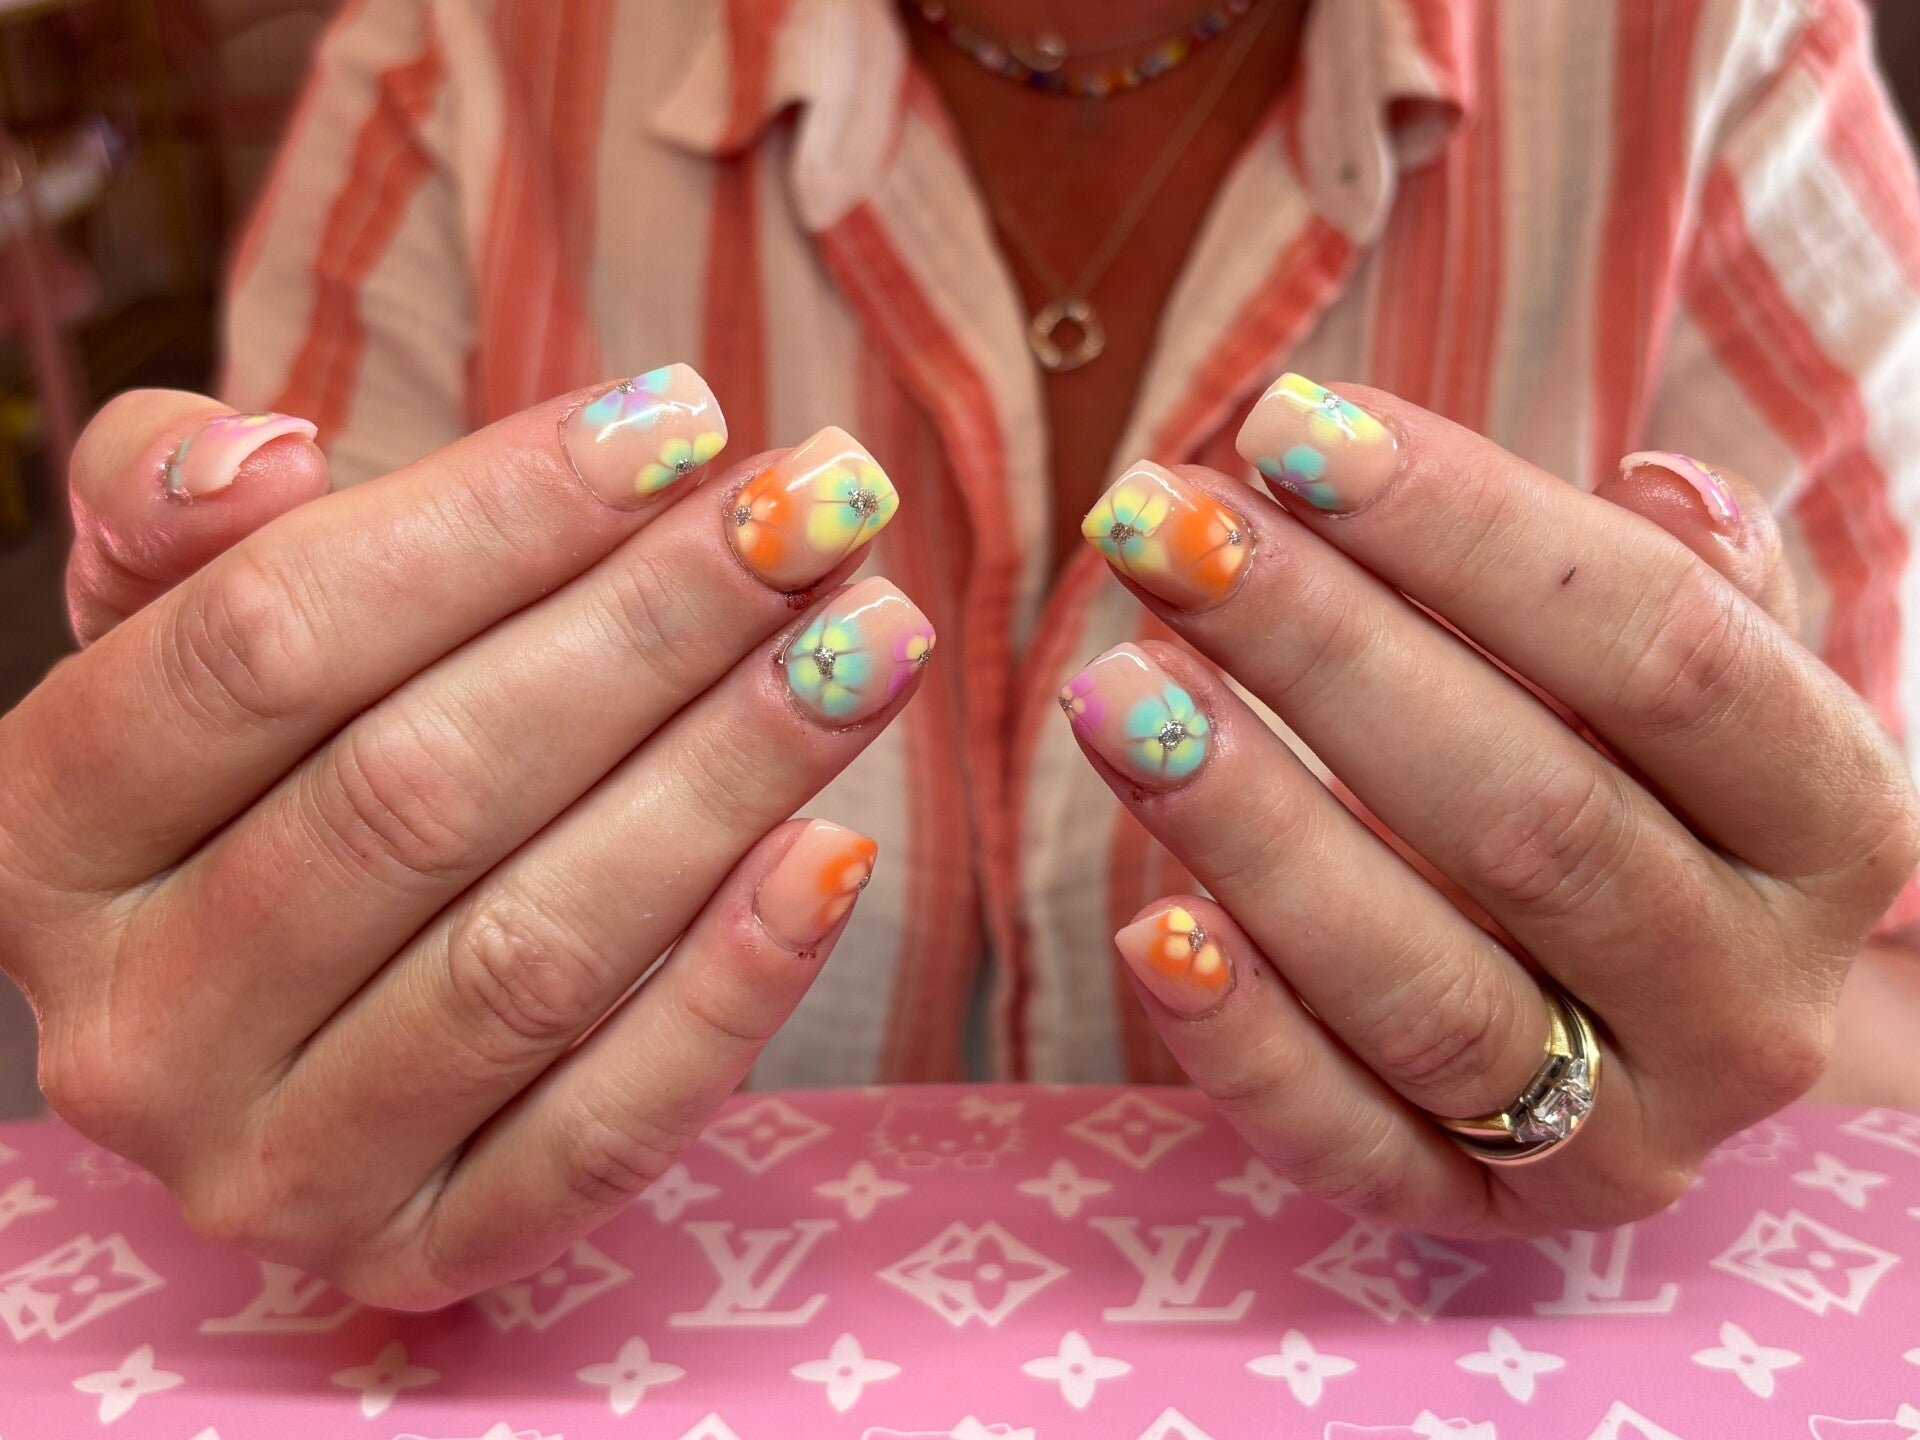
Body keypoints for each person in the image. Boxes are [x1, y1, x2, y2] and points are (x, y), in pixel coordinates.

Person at [3, 0, 1918, 1306]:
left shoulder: (1707, 51)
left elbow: (1879, 968)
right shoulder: (467, 53)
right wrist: (242, 903)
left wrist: (1664, 1051)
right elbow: (312, 888)